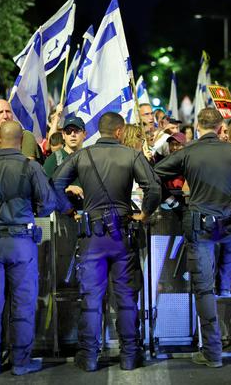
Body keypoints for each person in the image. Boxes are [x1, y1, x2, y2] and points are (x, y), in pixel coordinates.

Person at [52, 112, 161, 372]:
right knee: (124, 297)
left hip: (92, 236)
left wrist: (70, 211)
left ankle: (89, 356)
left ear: (100, 131)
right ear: (121, 131)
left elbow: (56, 183)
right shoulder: (131, 155)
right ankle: (130, 355)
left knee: (91, 298)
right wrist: (144, 213)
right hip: (122, 235)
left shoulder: (83, 155)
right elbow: (154, 188)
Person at [0, 122, 57, 376]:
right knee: (23, 304)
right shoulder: (30, 167)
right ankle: (20, 362)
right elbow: (48, 203)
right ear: (21, 140)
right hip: (22, 242)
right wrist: (30, 211)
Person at [155, 107, 231, 367]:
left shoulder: (188, 152)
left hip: (200, 226)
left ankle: (213, 352)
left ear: (198, 126)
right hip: (229, 228)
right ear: (220, 127)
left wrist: (171, 200)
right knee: (224, 285)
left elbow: (154, 173)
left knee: (204, 289)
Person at [0, 99, 42, 164]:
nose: (5, 116)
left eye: (8, 111)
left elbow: (29, 167)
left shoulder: (24, 136)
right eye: (0, 112)